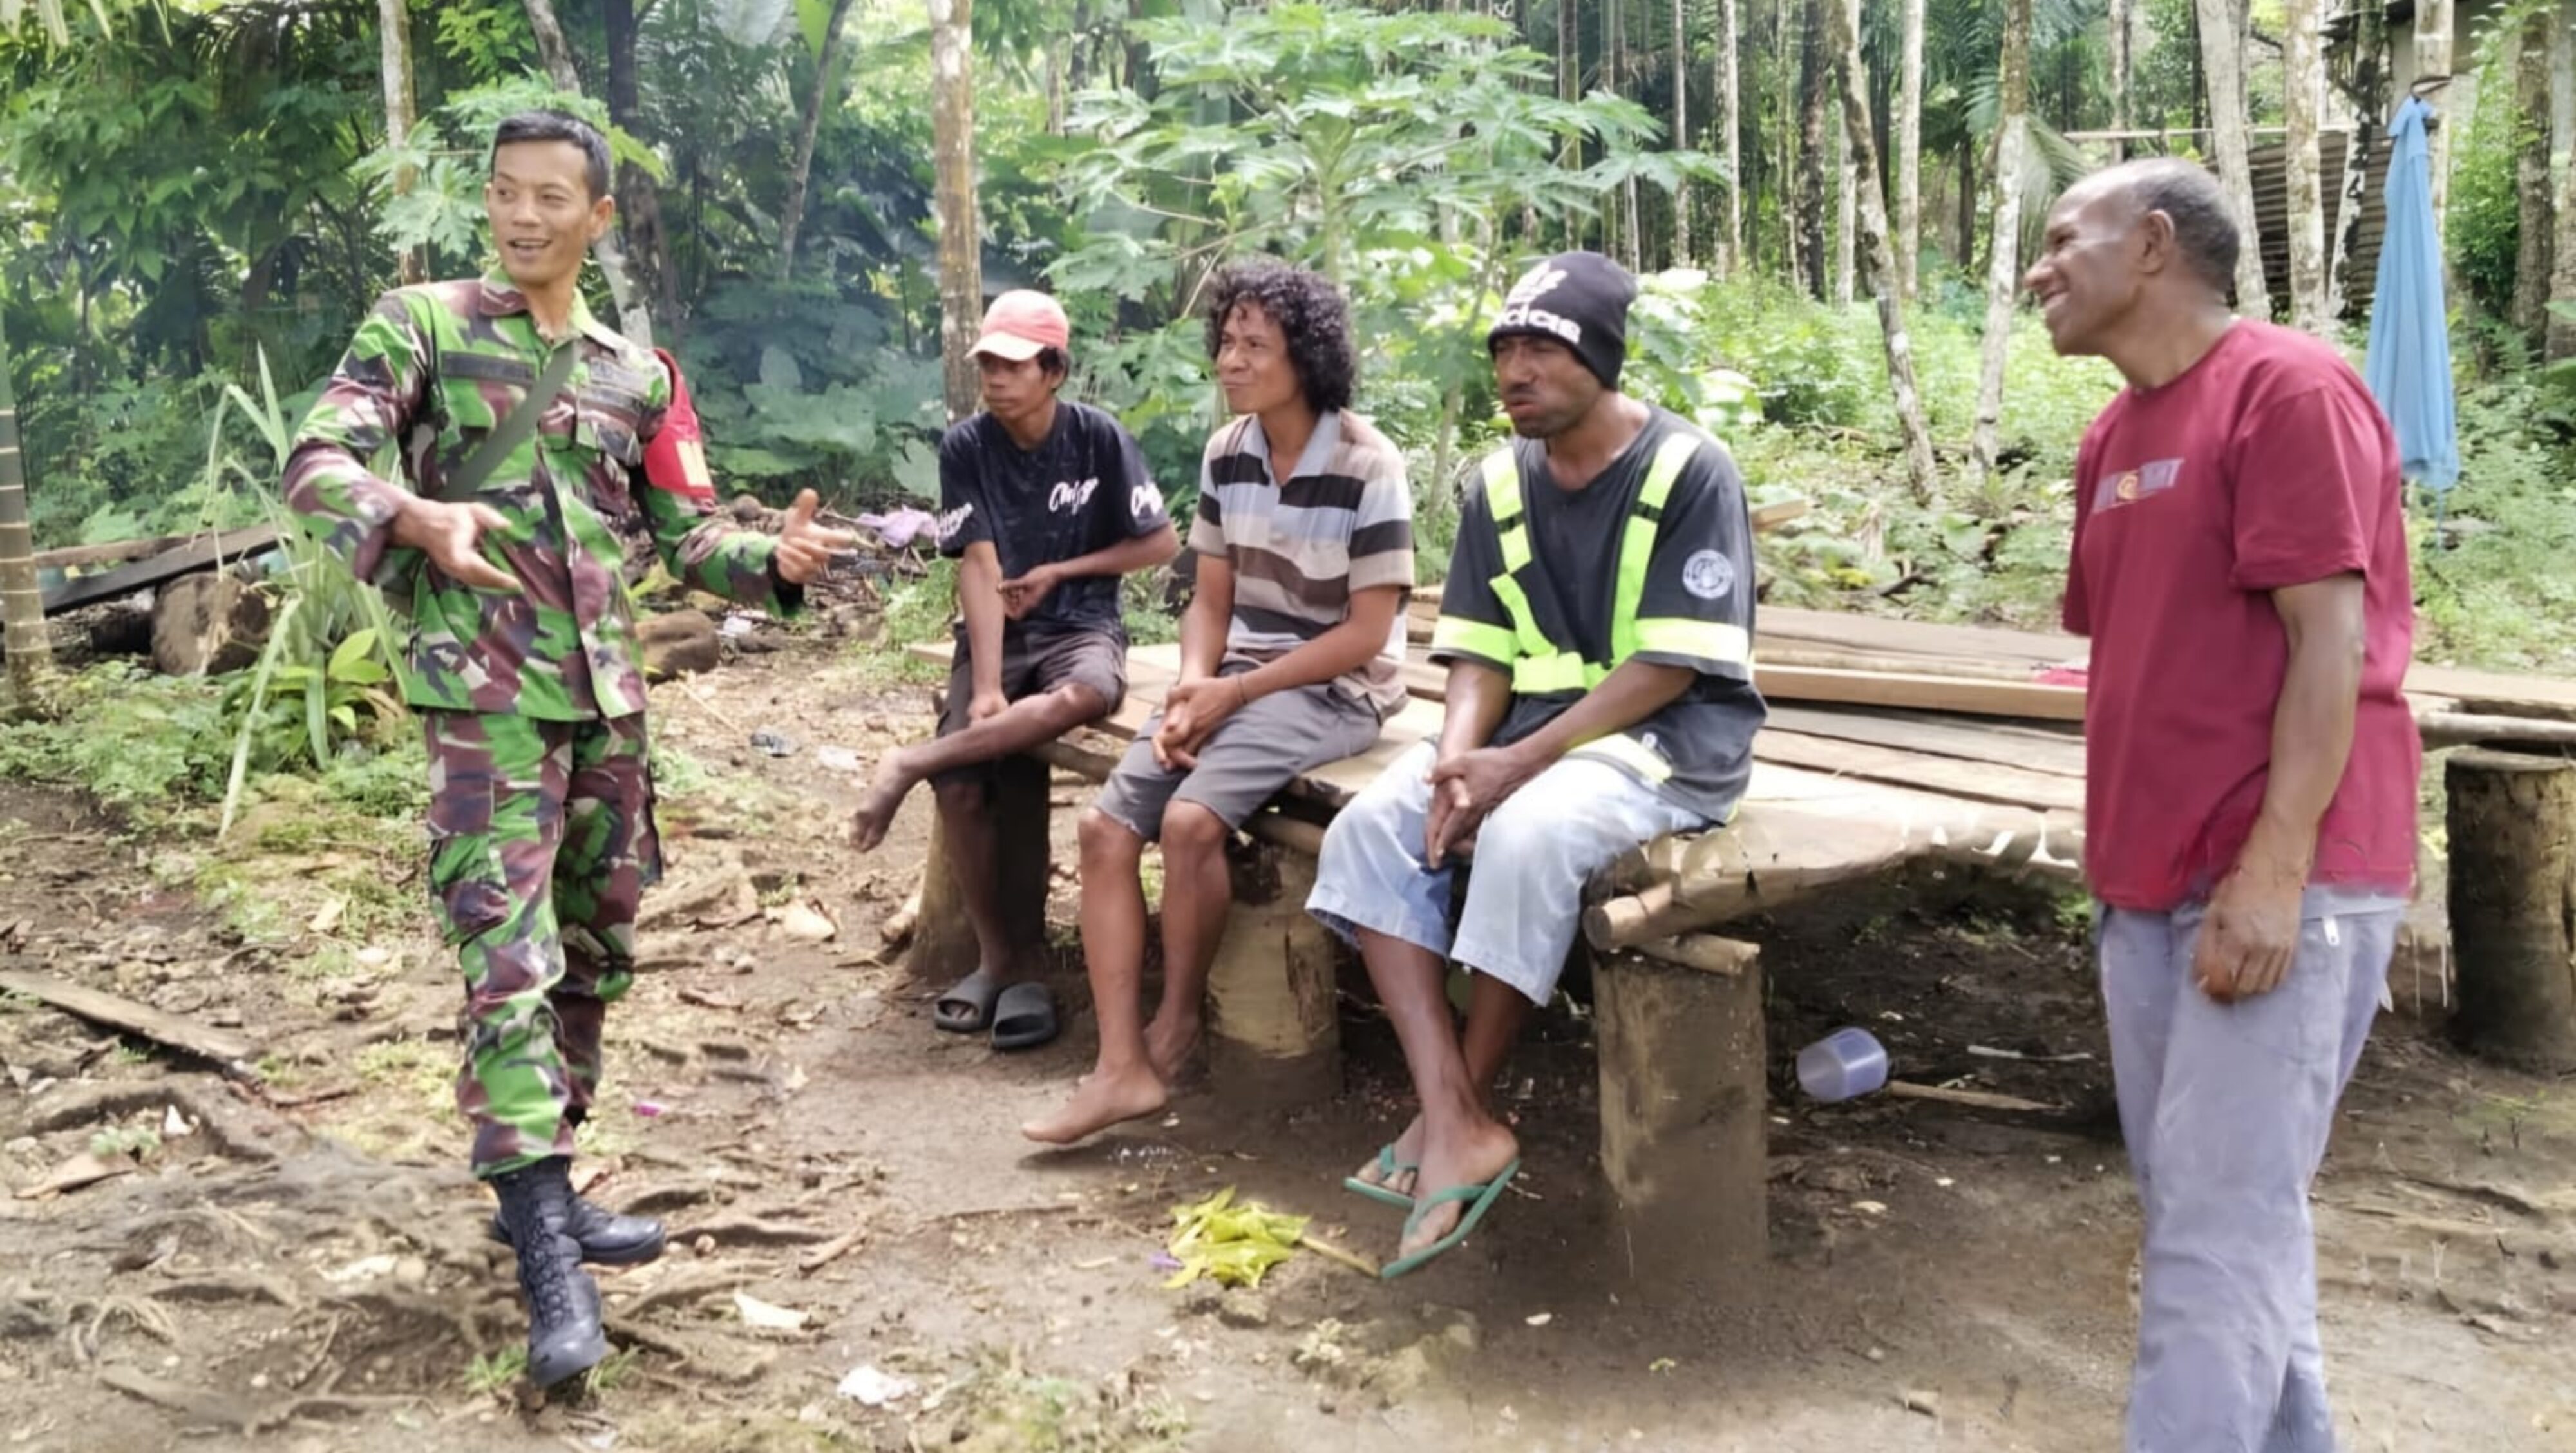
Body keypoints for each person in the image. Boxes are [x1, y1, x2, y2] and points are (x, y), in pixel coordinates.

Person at [281, 111, 853, 1388]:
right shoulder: (420, 323)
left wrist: (779, 564)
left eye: (551, 198)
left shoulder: (634, 376)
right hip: (483, 701)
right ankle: (545, 1244)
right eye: (504, 195)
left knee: (594, 943)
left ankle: (548, 1175)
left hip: (607, 709)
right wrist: (414, 515)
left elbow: (690, 540)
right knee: (510, 956)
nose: (522, 216)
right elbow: (315, 462)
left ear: (598, 219)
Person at [2027, 158, 2419, 1452]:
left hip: (2275, 877)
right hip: (2144, 884)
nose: (2038, 270)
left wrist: (2270, 872)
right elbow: (2135, 646)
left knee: (2212, 1231)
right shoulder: (2111, 436)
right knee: (2222, 1217)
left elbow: (2327, 649)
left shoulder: (2286, 391)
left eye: (2060, 241)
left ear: (2148, 247)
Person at [1304, 251, 1764, 1278]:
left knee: (1523, 832)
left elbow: (1669, 666)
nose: (1517, 370)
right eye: (1505, 349)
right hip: (1528, 733)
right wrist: (1461, 758)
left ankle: (1454, 1117)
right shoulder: (1498, 482)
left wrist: (1515, 768)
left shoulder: (1691, 471)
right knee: (1376, 827)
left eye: (1543, 348)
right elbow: (1477, 652)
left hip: (1665, 743)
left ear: (1599, 356)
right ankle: (1456, 1116)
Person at [1022, 261, 1413, 1145]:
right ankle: (1121, 1063)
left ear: (1306, 360)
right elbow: (1210, 598)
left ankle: (1179, 1025)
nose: (1231, 360)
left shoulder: (1367, 462)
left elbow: (1365, 634)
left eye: (1254, 346)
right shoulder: (1228, 451)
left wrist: (1230, 689)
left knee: (1195, 823)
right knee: (1102, 830)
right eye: (1227, 342)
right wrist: (1195, 683)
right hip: (1237, 674)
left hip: (1336, 688)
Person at [847, 290, 1177, 1041]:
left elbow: (1160, 543)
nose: (997, 379)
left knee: (1089, 692)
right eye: (988, 364)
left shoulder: (1099, 439)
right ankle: (1004, 961)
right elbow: (980, 564)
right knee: (964, 789)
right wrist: (989, 686)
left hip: (1082, 623)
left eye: (1015, 365)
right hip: (998, 632)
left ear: (1054, 370)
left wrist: (1064, 572)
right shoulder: (967, 446)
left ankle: (910, 762)